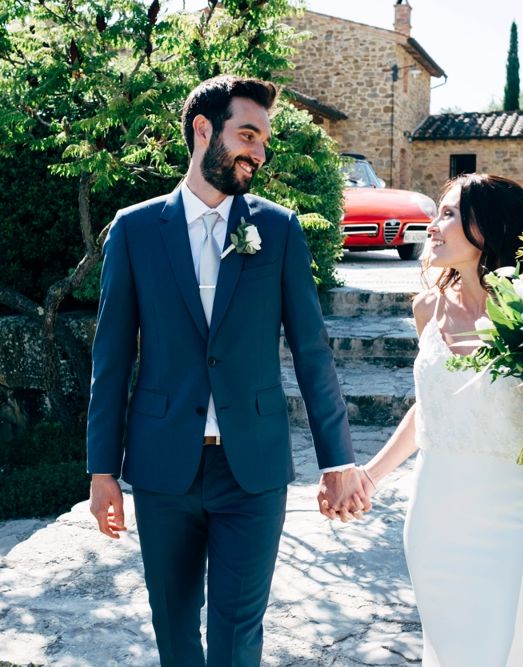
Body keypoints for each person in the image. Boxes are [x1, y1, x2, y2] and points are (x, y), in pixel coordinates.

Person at [86, 75, 369, 667]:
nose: (258, 153)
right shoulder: (134, 230)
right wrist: (101, 471)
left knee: (239, 635)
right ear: (202, 130)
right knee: (174, 628)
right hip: (165, 468)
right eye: (247, 135)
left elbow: (312, 351)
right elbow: (111, 359)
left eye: (264, 141)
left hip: (254, 470)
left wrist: (338, 461)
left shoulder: (280, 229)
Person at [354, 173, 523, 666]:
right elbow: (431, 407)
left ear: (488, 227)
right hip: (435, 513)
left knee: (500, 646)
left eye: (448, 214)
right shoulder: (428, 308)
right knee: (447, 648)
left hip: (512, 512)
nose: (433, 225)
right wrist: (370, 475)